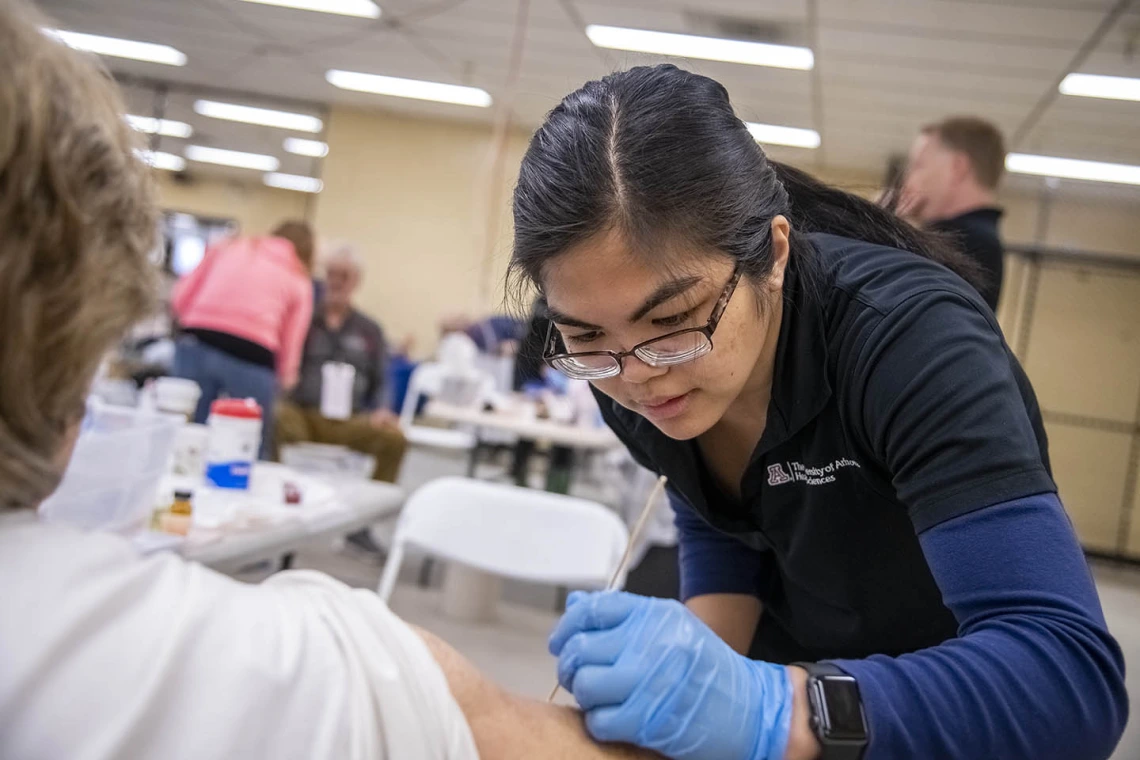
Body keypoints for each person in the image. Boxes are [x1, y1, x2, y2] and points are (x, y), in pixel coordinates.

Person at [0, 5, 663, 759]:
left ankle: (355, 521)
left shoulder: (362, 328)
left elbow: (214, 321)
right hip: (287, 406)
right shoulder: (321, 673)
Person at [510, 65, 1128, 760]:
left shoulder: (911, 340)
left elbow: (1066, 681)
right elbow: (722, 515)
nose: (637, 378)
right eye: (588, 338)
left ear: (773, 254)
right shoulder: (618, 362)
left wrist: (771, 710)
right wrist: (689, 679)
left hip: (948, 701)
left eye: (674, 320)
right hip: (793, 671)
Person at [171, 218, 315, 457]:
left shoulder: (229, 248)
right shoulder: (298, 276)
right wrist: (287, 378)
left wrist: (194, 324)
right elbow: (292, 339)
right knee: (246, 443)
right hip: (252, 354)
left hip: (197, 339)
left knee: (183, 434)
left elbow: (180, 296)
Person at [276, 244, 407, 483]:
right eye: (331, 274)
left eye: (344, 276)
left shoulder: (370, 330)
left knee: (394, 439)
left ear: (356, 281)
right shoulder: (304, 319)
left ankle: (373, 506)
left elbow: (382, 379)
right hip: (303, 415)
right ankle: (274, 489)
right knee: (272, 416)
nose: (336, 282)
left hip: (349, 420)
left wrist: (382, 408)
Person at [897, 116, 1007, 310]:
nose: (908, 181)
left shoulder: (963, 240)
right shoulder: (981, 240)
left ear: (958, 168)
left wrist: (886, 229)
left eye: (919, 165)